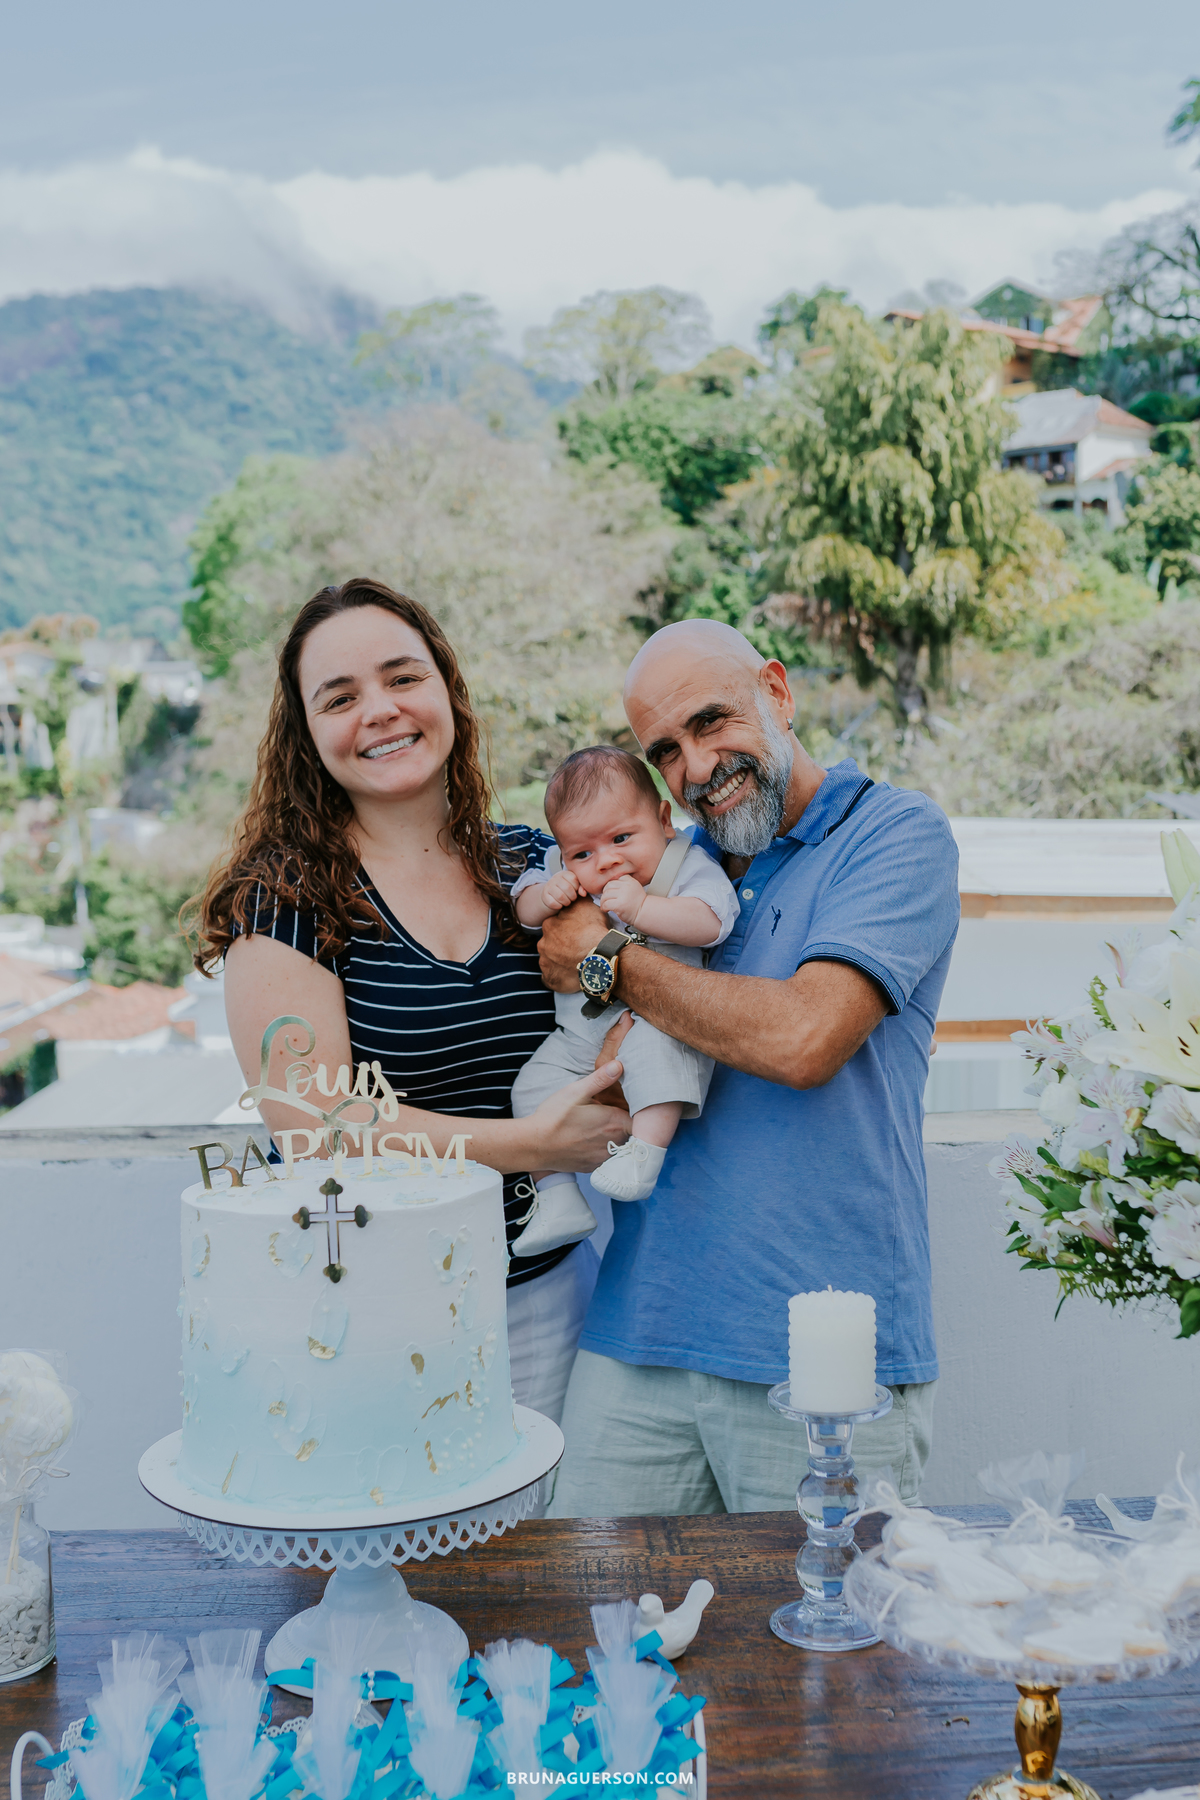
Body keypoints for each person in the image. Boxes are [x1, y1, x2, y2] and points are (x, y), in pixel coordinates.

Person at [539, 619, 960, 1513]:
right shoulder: (664, 865)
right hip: (637, 1333)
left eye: (711, 722)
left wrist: (608, 961)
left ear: (777, 691)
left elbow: (803, 1039)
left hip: (824, 1359)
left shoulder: (894, 834)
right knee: (587, 1598)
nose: (695, 766)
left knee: (827, 1605)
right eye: (665, 750)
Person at [195, 577, 630, 1425]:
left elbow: (625, 990)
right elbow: (314, 1129)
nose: (381, 711)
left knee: (550, 1518)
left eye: (403, 677)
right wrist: (530, 1146)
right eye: (340, 698)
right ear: (306, 734)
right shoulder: (283, 899)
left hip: (551, 1300)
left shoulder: (533, 865)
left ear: (447, 690)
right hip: (371, 1313)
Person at [507, 745, 739, 1254]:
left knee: (658, 1061)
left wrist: (642, 909)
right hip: (577, 1033)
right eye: (582, 853)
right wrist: (545, 897)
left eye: (620, 839)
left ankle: (645, 1155)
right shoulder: (561, 868)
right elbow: (522, 906)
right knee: (530, 1089)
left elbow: (712, 921)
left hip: (653, 1022)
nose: (606, 861)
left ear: (663, 821)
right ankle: (557, 1197)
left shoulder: (684, 866)